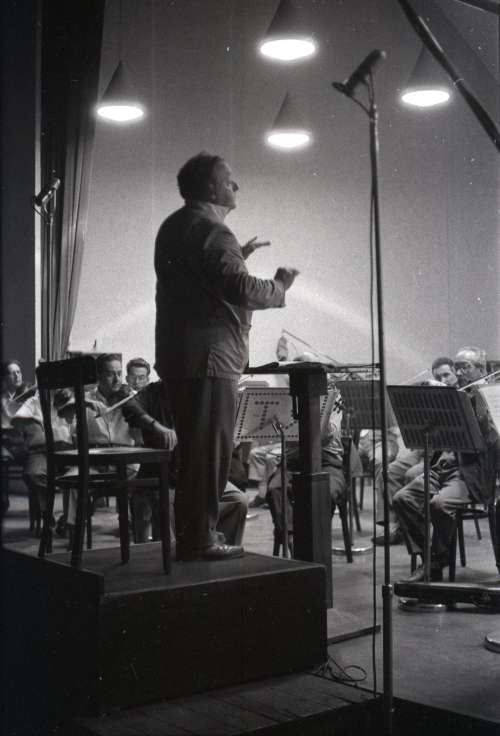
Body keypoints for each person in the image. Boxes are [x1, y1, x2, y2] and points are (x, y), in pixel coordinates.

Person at [154, 152, 298, 561]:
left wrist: (240, 256)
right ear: (210, 187)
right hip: (211, 359)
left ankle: (193, 535)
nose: (236, 186)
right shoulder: (215, 231)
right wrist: (280, 285)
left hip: (181, 355)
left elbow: (203, 284)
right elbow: (240, 289)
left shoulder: (174, 225)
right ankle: (200, 539)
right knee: (210, 453)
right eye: (229, 179)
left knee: (195, 451)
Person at [394, 346, 499, 582]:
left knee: (440, 505)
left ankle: (435, 561)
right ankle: (430, 558)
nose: (459, 372)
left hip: (468, 474)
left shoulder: (488, 398)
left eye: (465, 367)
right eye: (457, 367)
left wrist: (479, 401)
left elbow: (491, 440)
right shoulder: (455, 396)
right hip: (441, 468)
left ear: (481, 369)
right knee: (403, 498)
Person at [123, 380, 248, 547]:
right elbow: (130, 407)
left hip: (198, 477)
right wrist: (158, 427)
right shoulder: (154, 391)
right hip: (164, 477)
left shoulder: (200, 392)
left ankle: (218, 549)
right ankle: (175, 555)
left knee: (238, 501)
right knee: (165, 506)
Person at [373, 356, 458, 546]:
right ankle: (393, 526)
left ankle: (414, 534)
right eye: (438, 377)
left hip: (441, 454)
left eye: (446, 375)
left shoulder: (460, 397)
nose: (443, 380)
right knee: (389, 472)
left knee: (412, 474)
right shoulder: (433, 396)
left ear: (455, 373)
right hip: (423, 449)